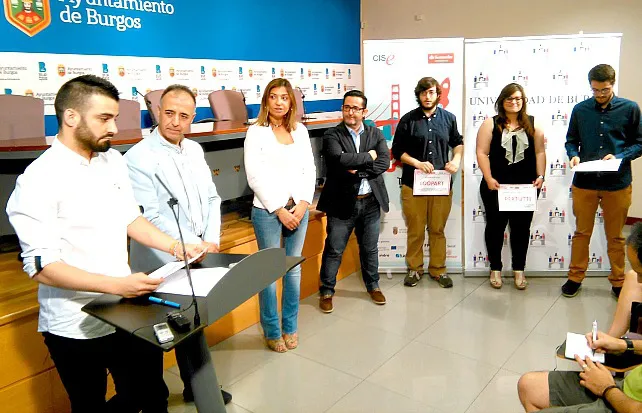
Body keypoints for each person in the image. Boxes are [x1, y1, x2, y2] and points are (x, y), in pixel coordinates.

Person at [5, 75, 205, 413]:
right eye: (104, 118)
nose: (114, 127)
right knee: (89, 404)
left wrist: (175, 247)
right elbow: (43, 268)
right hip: (74, 323)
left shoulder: (112, 161)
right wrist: (118, 285)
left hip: (125, 309)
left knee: (150, 395)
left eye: (115, 117)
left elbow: (130, 219)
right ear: (71, 117)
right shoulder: (37, 180)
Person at [123, 84, 232, 405]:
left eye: (183, 116)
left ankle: (196, 387)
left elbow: (212, 198)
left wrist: (210, 240)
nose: (175, 121)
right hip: (159, 261)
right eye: (169, 113)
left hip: (197, 253)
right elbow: (150, 219)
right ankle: (154, 401)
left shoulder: (194, 150)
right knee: (155, 332)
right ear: (157, 111)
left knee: (191, 322)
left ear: (192, 118)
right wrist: (189, 247)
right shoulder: (138, 158)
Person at [517, 223, 642, 412]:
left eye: (641, 273)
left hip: (624, 402)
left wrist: (607, 388)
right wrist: (622, 344)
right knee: (529, 386)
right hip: (625, 390)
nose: (638, 281)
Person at [244, 78, 316, 352]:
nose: (278, 102)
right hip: (268, 212)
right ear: (266, 101)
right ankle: (272, 331)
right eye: (273, 97)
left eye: (284, 97)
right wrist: (279, 209)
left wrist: (304, 203)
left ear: (291, 102)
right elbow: (255, 176)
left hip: (298, 209)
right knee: (269, 273)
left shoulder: (301, 131)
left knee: (293, 270)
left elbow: (309, 169)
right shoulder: (256, 132)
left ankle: (290, 327)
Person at [562, 64, 642, 298]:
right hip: (585, 182)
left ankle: (618, 281)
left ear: (612, 84)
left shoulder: (630, 108)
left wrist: (619, 156)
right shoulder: (580, 109)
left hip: (617, 183)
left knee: (616, 236)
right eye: (595, 90)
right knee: (581, 233)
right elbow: (571, 140)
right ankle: (575, 277)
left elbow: (639, 143)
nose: (599, 94)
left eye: (604, 90)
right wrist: (573, 154)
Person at [316, 90, 390, 313]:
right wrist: (368, 157)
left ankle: (373, 285)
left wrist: (357, 170)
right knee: (334, 249)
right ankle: (326, 290)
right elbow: (338, 160)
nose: (350, 112)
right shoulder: (332, 135)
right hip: (341, 202)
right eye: (347, 107)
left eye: (356, 108)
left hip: (371, 202)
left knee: (370, 248)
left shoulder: (376, 133)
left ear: (364, 112)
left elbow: (384, 162)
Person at [391, 77, 463, 288]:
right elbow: (397, 151)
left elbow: (457, 143)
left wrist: (456, 160)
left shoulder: (449, 119)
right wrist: (417, 163)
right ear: (419, 95)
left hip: (441, 185)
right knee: (415, 230)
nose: (427, 96)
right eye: (423, 93)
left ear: (438, 95)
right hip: (413, 185)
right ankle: (415, 269)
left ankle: (438, 270)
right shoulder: (408, 120)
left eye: (431, 92)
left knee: (437, 229)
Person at [475, 83, 546, 290]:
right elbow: (481, 152)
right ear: (502, 101)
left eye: (518, 98)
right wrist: (488, 178)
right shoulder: (490, 123)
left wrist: (541, 176)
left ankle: (519, 270)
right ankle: (495, 269)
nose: (514, 102)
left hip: (526, 187)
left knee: (521, 229)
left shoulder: (534, 123)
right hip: (496, 186)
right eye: (509, 98)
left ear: (523, 101)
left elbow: (540, 152)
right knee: (495, 228)